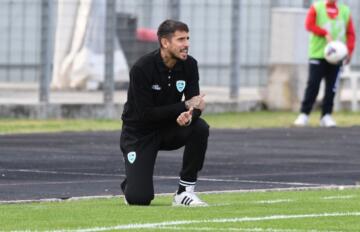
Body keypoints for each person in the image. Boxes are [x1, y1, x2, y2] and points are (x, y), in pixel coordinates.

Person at [119, 19, 209, 206]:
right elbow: (145, 114)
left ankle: (184, 192)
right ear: (165, 42)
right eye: (181, 40)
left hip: (169, 127)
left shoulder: (190, 65)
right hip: (139, 134)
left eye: (187, 38)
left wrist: (190, 115)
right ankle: (134, 179)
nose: (187, 44)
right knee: (139, 199)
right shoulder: (142, 68)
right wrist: (184, 106)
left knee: (199, 127)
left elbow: (194, 104)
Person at [294, 0, 356, 127]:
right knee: (313, 84)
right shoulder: (317, 8)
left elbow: (350, 33)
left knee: (331, 87)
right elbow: (309, 25)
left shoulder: (345, 11)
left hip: (337, 56)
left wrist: (349, 51)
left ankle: (326, 115)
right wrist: (324, 33)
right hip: (318, 54)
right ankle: (304, 114)